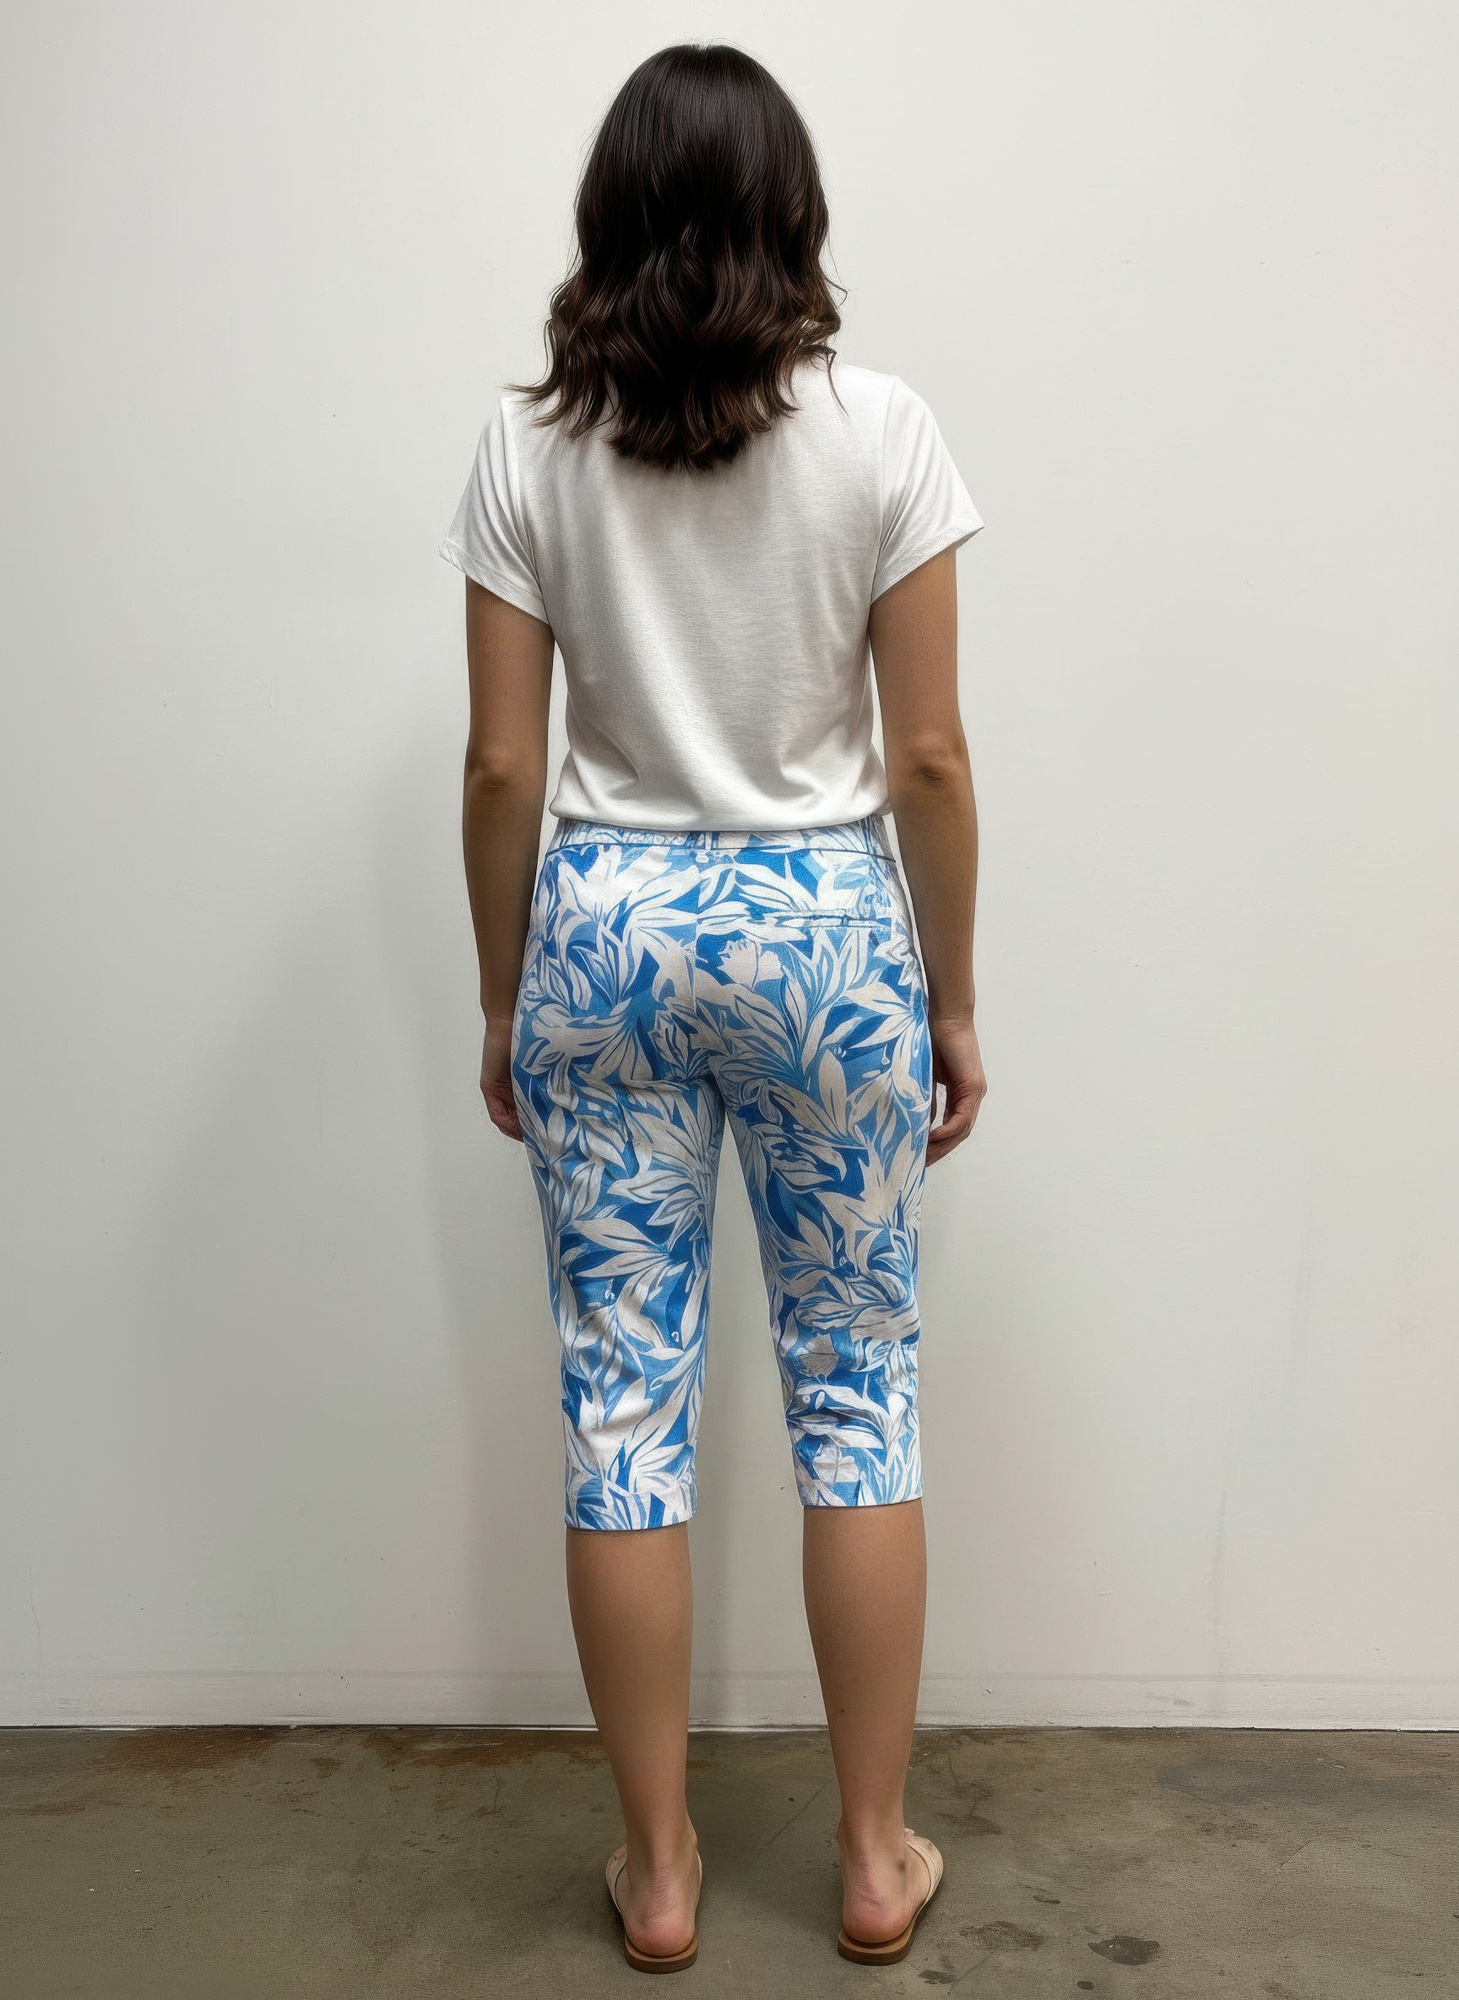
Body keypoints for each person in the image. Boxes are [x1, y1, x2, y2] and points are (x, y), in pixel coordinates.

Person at [440, 41, 987, 1974]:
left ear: (610, 214)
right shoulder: (885, 432)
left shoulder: (527, 447)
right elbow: (927, 758)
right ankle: (872, 1857)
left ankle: (659, 1871)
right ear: (793, 211)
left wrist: (504, 995)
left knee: (622, 1405)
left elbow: (502, 770)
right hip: (827, 935)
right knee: (858, 1390)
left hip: (604, 930)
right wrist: (954, 997)